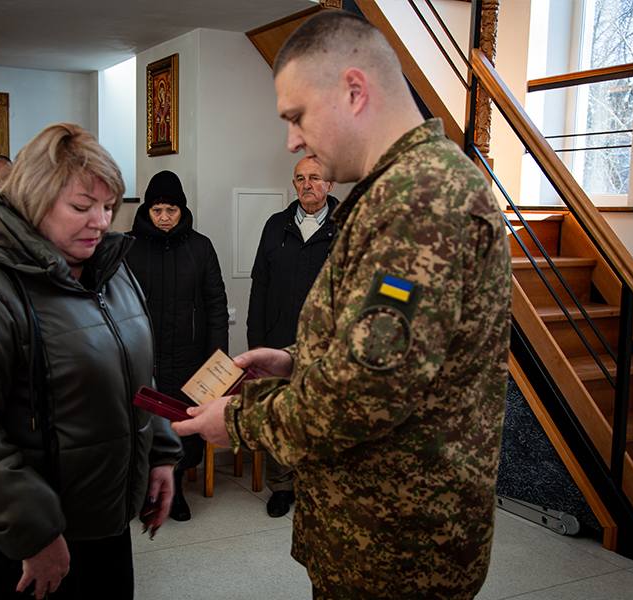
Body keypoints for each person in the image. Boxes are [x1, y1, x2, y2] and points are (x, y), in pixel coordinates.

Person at [174, 11, 511, 599]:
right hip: (370, 531)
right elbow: (380, 338)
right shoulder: (396, 189)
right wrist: (294, 359)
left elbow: (369, 388)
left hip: (398, 548)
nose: (292, 140)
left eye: (297, 116)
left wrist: (238, 420)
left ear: (355, 90)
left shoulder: (419, 199)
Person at [0, 123, 182, 600]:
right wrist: (32, 529)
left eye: (107, 207)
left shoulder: (111, 272)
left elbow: (137, 374)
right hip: (24, 537)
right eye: (81, 207)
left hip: (106, 519)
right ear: (35, 199)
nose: (100, 222)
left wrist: (160, 453)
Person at [125, 170, 229, 522]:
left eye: (172, 210)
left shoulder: (200, 247)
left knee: (185, 425)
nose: (165, 218)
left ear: (182, 210)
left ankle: (177, 491)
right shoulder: (129, 247)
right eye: (158, 211)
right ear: (147, 211)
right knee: (145, 426)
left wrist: (218, 362)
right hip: (145, 357)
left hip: (190, 355)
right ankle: (147, 493)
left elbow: (216, 304)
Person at [247, 156, 338, 518]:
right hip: (277, 341)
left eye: (315, 178)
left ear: (330, 185)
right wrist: (257, 343)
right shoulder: (275, 225)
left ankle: (317, 485)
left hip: (327, 348)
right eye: (300, 178)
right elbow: (260, 286)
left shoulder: (346, 227)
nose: (307, 184)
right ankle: (282, 487)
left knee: (321, 419)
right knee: (280, 417)